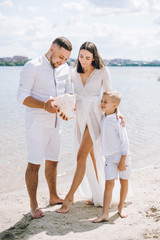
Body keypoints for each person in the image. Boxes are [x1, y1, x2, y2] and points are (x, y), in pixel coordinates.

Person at [56, 41, 116, 213]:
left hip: (95, 117)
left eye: (87, 58)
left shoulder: (102, 71)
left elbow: (109, 94)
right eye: (81, 56)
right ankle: (98, 194)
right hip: (79, 118)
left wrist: (115, 114)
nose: (83, 60)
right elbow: (68, 94)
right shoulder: (73, 72)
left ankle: (68, 198)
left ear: (94, 57)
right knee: (92, 156)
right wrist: (64, 107)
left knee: (81, 157)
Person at [17, 37, 73, 218]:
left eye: (66, 59)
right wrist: (43, 105)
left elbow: (69, 93)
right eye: (60, 57)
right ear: (51, 49)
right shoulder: (32, 66)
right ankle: (33, 205)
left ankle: (53, 195)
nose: (62, 62)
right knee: (34, 164)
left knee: (53, 161)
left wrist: (68, 108)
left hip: (57, 124)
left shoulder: (65, 69)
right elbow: (21, 96)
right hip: (36, 124)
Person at [92, 91, 131, 222]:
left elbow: (125, 142)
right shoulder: (103, 117)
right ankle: (105, 213)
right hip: (109, 157)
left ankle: (121, 207)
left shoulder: (118, 120)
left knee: (123, 181)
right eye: (101, 101)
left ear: (114, 105)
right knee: (109, 184)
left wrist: (122, 161)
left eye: (105, 102)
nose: (102, 104)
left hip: (122, 156)